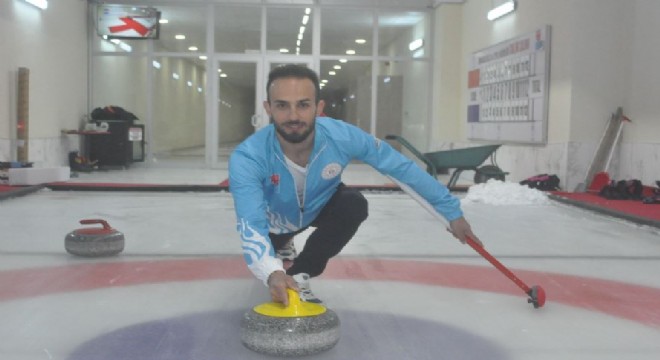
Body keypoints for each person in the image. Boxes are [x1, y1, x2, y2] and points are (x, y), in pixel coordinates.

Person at [229, 64, 481, 305]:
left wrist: (452, 212)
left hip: (318, 207)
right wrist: (272, 273)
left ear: (319, 107)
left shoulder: (343, 136)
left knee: (353, 204)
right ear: (268, 108)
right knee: (268, 252)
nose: (293, 116)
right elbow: (251, 224)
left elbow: (400, 168)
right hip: (274, 223)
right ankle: (283, 243)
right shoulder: (249, 157)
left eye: (303, 105)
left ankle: (300, 272)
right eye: (282, 106)